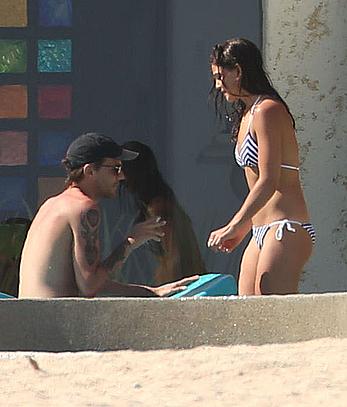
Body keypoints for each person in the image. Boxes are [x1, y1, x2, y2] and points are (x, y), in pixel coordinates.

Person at [18, 132, 198, 298]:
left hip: (32, 321)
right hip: (52, 325)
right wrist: (130, 242)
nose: (121, 177)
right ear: (90, 171)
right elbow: (90, 286)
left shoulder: (51, 205)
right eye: (115, 168)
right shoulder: (83, 208)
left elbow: (88, 283)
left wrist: (152, 291)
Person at [207, 38, 315, 295]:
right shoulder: (247, 114)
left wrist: (234, 224)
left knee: (273, 313)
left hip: (285, 226)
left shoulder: (268, 110)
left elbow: (269, 179)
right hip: (258, 230)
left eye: (221, 76)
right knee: (249, 314)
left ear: (238, 71)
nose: (217, 85)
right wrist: (244, 229)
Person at [119, 141, 207, 285]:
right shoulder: (157, 202)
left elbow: (174, 255)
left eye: (120, 169)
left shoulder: (159, 207)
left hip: (177, 284)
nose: (118, 176)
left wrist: (163, 292)